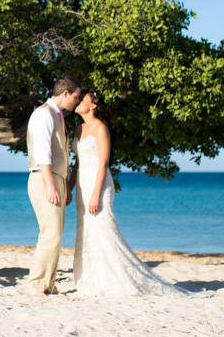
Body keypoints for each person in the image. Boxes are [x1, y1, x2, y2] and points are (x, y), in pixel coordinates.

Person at [71, 88, 192, 297]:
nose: (78, 100)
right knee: (86, 230)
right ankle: (93, 279)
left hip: (97, 184)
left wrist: (95, 194)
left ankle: (117, 280)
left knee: (103, 227)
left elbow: (103, 164)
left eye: (83, 98)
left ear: (93, 106)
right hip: (82, 183)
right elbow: (77, 162)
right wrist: (69, 186)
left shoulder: (101, 128)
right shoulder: (77, 129)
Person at [23, 76, 81, 297]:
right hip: (43, 178)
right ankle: (35, 284)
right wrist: (51, 186)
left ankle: (48, 283)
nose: (77, 101)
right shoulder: (43, 114)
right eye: (76, 97)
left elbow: (60, 155)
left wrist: (64, 185)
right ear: (65, 93)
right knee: (51, 234)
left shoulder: (58, 117)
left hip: (55, 179)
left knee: (56, 234)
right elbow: (42, 154)